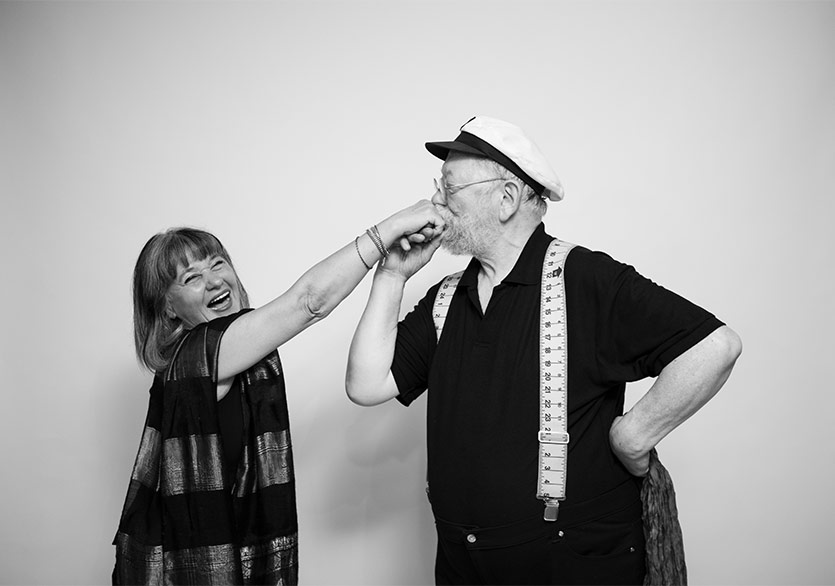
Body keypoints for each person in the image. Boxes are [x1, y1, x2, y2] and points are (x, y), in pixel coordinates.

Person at [345, 116, 742, 585]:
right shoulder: (448, 297)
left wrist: (633, 436)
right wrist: (392, 275)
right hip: (463, 564)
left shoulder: (585, 279)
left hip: (570, 564)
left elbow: (715, 345)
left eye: (449, 188)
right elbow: (367, 385)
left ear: (507, 198)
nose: (435, 202)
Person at [112, 200, 444, 585]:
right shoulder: (196, 356)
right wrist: (391, 229)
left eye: (217, 263)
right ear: (168, 308)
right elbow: (309, 302)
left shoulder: (238, 353)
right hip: (174, 571)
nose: (215, 280)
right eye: (191, 278)